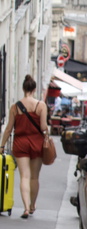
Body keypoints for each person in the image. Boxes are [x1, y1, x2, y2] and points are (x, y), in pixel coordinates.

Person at [0, 74, 49, 219]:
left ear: (23, 88)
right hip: (36, 143)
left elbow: (9, 129)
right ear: (34, 89)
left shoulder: (15, 107)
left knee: (24, 177)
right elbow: (43, 126)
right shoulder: (41, 105)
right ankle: (33, 205)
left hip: (20, 143)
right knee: (34, 177)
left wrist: (2, 145)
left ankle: (26, 208)